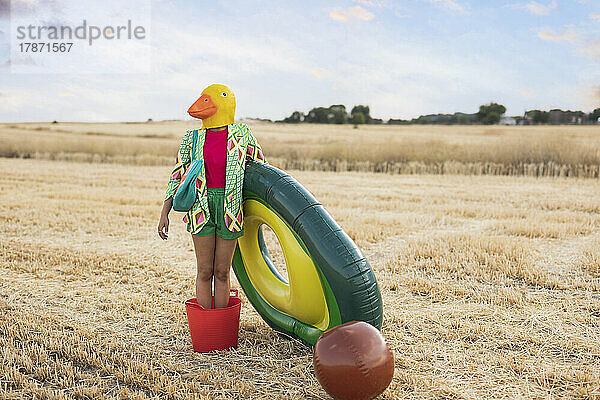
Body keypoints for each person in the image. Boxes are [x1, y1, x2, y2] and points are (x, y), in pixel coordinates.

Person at [157, 84, 266, 309]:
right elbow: (177, 175)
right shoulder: (192, 138)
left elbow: (260, 169)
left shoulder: (242, 135)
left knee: (222, 272)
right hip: (199, 209)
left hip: (231, 210)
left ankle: (221, 329)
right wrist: (164, 212)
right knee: (205, 271)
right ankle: (207, 327)